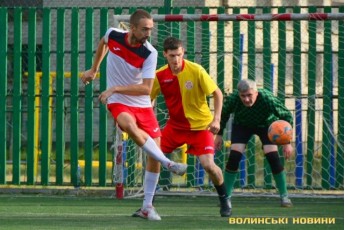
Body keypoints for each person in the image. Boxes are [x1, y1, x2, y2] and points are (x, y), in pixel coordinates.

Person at [81, 9, 187, 220]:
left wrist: (114, 88)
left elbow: (146, 89)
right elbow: (103, 43)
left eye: (151, 29)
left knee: (153, 154)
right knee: (129, 125)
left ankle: (147, 206)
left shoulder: (151, 53)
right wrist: (94, 69)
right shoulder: (113, 34)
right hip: (119, 102)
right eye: (145, 29)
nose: (149, 33)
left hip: (141, 103)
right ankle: (168, 163)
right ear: (132, 28)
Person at [132, 36, 232, 220]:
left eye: (178, 55)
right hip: (175, 127)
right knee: (153, 155)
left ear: (183, 53)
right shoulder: (160, 75)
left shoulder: (196, 70)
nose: (176, 59)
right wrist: (145, 117)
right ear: (165, 55)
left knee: (208, 165)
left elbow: (217, 93)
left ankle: (225, 199)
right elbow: (147, 98)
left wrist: (216, 119)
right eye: (172, 56)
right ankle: (147, 205)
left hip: (201, 127)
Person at [214, 79, 294, 208]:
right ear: (238, 94)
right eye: (243, 96)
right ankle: (226, 197)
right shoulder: (234, 98)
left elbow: (286, 116)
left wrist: (287, 142)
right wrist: (218, 135)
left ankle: (284, 196)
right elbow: (223, 114)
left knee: (272, 156)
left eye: (249, 95)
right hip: (242, 125)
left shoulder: (266, 97)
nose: (246, 99)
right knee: (234, 156)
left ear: (256, 92)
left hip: (267, 126)